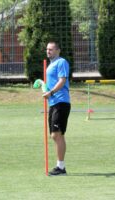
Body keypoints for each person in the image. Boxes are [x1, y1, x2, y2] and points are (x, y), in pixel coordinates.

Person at [43, 41, 71, 176]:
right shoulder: (50, 65)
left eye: (51, 49)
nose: (49, 51)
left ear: (58, 50)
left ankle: (61, 167)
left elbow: (62, 80)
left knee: (56, 134)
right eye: (47, 49)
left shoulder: (61, 62)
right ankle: (61, 166)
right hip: (53, 103)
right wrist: (44, 88)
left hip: (61, 101)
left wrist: (51, 92)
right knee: (56, 135)